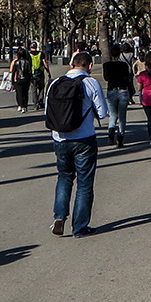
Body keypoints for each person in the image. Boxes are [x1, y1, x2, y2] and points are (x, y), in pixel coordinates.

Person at [49, 51, 109, 239]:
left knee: (64, 176)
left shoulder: (55, 83)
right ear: (90, 66)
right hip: (84, 139)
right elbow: (103, 113)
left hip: (60, 139)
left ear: (71, 64)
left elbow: (47, 112)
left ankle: (59, 217)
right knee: (84, 183)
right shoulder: (91, 83)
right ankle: (80, 227)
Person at [101, 45, 134, 148]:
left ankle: (111, 130)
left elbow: (106, 78)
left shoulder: (106, 65)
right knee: (122, 116)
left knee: (113, 114)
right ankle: (120, 136)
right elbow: (128, 77)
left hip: (111, 90)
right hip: (122, 90)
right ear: (119, 54)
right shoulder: (123, 65)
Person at [29, 46, 47, 110]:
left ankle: (35, 104)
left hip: (32, 74)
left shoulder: (29, 54)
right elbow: (44, 62)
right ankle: (40, 101)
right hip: (40, 73)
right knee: (41, 88)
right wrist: (48, 71)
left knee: (34, 90)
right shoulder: (40, 53)